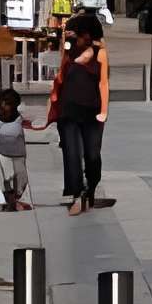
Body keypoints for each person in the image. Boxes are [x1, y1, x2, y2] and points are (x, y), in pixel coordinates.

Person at [43, 12, 110, 216]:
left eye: (78, 33)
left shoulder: (99, 53)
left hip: (92, 112)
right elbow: (62, 75)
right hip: (69, 110)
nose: (75, 38)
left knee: (92, 155)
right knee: (71, 153)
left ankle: (91, 186)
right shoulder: (69, 51)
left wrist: (104, 111)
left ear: (88, 34)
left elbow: (103, 83)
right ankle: (76, 194)